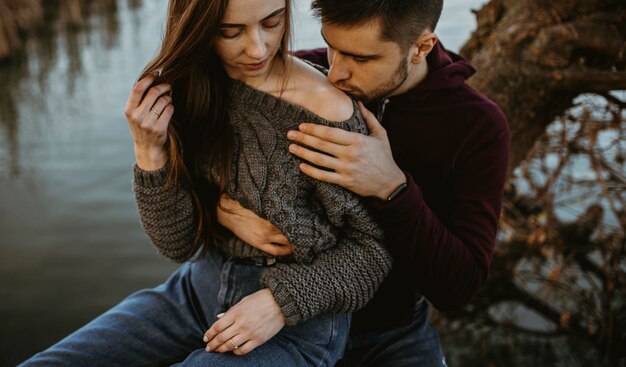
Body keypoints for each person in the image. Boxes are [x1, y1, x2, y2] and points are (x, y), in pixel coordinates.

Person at [18, 0, 393, 366]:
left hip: (295, 323)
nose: (257, 48)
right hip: (197, 289)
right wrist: (149, 152)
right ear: (199, 30)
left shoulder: (329, 114)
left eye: (272, 22)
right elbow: (177, 244)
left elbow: (374, 253)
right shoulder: (190, 91)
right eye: (230, 32)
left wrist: (281, 301)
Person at [218, 0, 511, 366]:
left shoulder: (476, 126)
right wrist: (223, 210)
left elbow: (458, 287)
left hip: (390, 334)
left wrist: (393, 189)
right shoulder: (301, 77)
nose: (335, 73)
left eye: (361, 58)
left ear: (422, 47)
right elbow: (204, 160)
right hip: (287, 320)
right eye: (331, 46)